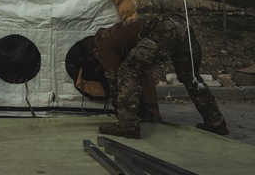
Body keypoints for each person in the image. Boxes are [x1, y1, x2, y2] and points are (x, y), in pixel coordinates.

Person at [95, 11, 229, 140]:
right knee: (191, 78)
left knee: (129, 70)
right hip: (183, 26)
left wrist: (119, 109)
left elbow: (113, 78)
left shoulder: (104, 41)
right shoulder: (121, 31)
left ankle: (127, 126)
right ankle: (216, 122)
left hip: (167, 28)